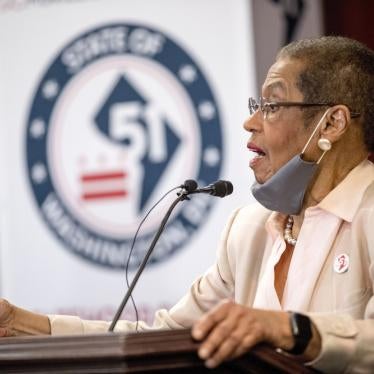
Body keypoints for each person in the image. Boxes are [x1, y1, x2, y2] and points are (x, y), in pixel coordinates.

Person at [1, 36, 374, 373]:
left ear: (331, 123)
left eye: (271, 105)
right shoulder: (249, 230)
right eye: (256, 105)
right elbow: (166, 338)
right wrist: (21, 323)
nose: (250, 122)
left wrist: (290, 330)